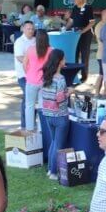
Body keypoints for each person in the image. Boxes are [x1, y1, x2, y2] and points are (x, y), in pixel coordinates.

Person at [39, 50, 70, 178]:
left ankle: (50, 169)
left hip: (47, 114)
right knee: (58, 144)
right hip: (60, 115)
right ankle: (53, 172)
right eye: (64, 58)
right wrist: (69, 93)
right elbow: (60, 99)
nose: (65, 61)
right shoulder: (60, 79)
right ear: (60, 61)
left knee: (53, 142)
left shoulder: (46, 75)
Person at [23, 30, 53, 131]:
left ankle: (29, 128)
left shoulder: (30, 49)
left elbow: (24, 64)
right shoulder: (51, 50)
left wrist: (28, 74)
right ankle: (41, 128)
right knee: (42, 106)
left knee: (29, 105)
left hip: (31, 80)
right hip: (45, 81)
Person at [65, 0, 95, 81]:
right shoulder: (75, 8)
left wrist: (82, 31)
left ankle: (84, 76)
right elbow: (71, 21)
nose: (74, 0)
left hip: (85, 34)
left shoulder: (88, 8)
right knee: (75, 54)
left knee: (84, 55)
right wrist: (65, 28)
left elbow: (92, 22)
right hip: (75, 34)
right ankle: (74, 76)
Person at [12, 21, 36, 129]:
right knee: (28, 98)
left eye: (32, 29)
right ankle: (25, 125)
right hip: (24, 75)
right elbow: (19, 57)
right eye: (28, 28)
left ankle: (31, 122)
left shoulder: (35, 41)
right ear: (23, 29)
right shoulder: (19, 41)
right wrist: (32, 64)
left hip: (35, 75)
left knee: (32, 99)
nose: (30, 31)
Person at [93, 9, 106, 96]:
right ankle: (97, 93)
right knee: (101, 74)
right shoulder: (99, 26)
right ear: (103, 16)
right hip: (102, 55)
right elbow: (102, 40)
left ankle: (105, 92)